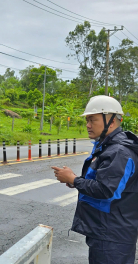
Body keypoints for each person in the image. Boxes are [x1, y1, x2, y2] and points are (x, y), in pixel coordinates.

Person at [52, 95, 138, 264]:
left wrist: (74, 180)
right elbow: (105, 181)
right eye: (87, 120)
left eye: (93, 120)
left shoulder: (119, 152)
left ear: (111, 121)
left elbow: (106, 190)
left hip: (112, 236)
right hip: (107, 230)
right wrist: (75, 180)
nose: (88, 125)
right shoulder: (108, 147)